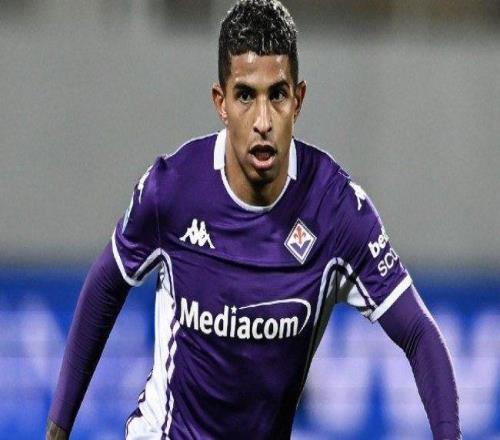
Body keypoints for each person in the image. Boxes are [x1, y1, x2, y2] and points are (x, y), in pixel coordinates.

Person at [46, 1, 461, 438]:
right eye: (245, 95)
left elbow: (420, 335)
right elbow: (106, 284)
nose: (263, 121)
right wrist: (57, 428)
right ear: (220, 102)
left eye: (276, 95)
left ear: (298, 101)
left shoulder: (336, 211)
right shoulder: (172, 190)